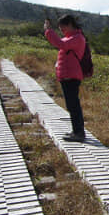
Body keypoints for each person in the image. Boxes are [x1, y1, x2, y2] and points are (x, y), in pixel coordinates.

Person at [44, 14, 86, 142]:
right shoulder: (72, 38)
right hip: (67, 76)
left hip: (71, 76)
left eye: (62, 28)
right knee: (71, 105)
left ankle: (79, 133)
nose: (61, 31)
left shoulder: (77, 38)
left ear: (69, 25)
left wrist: (48, 31)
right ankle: (76, 131)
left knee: (73, 105)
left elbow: (60, 43)